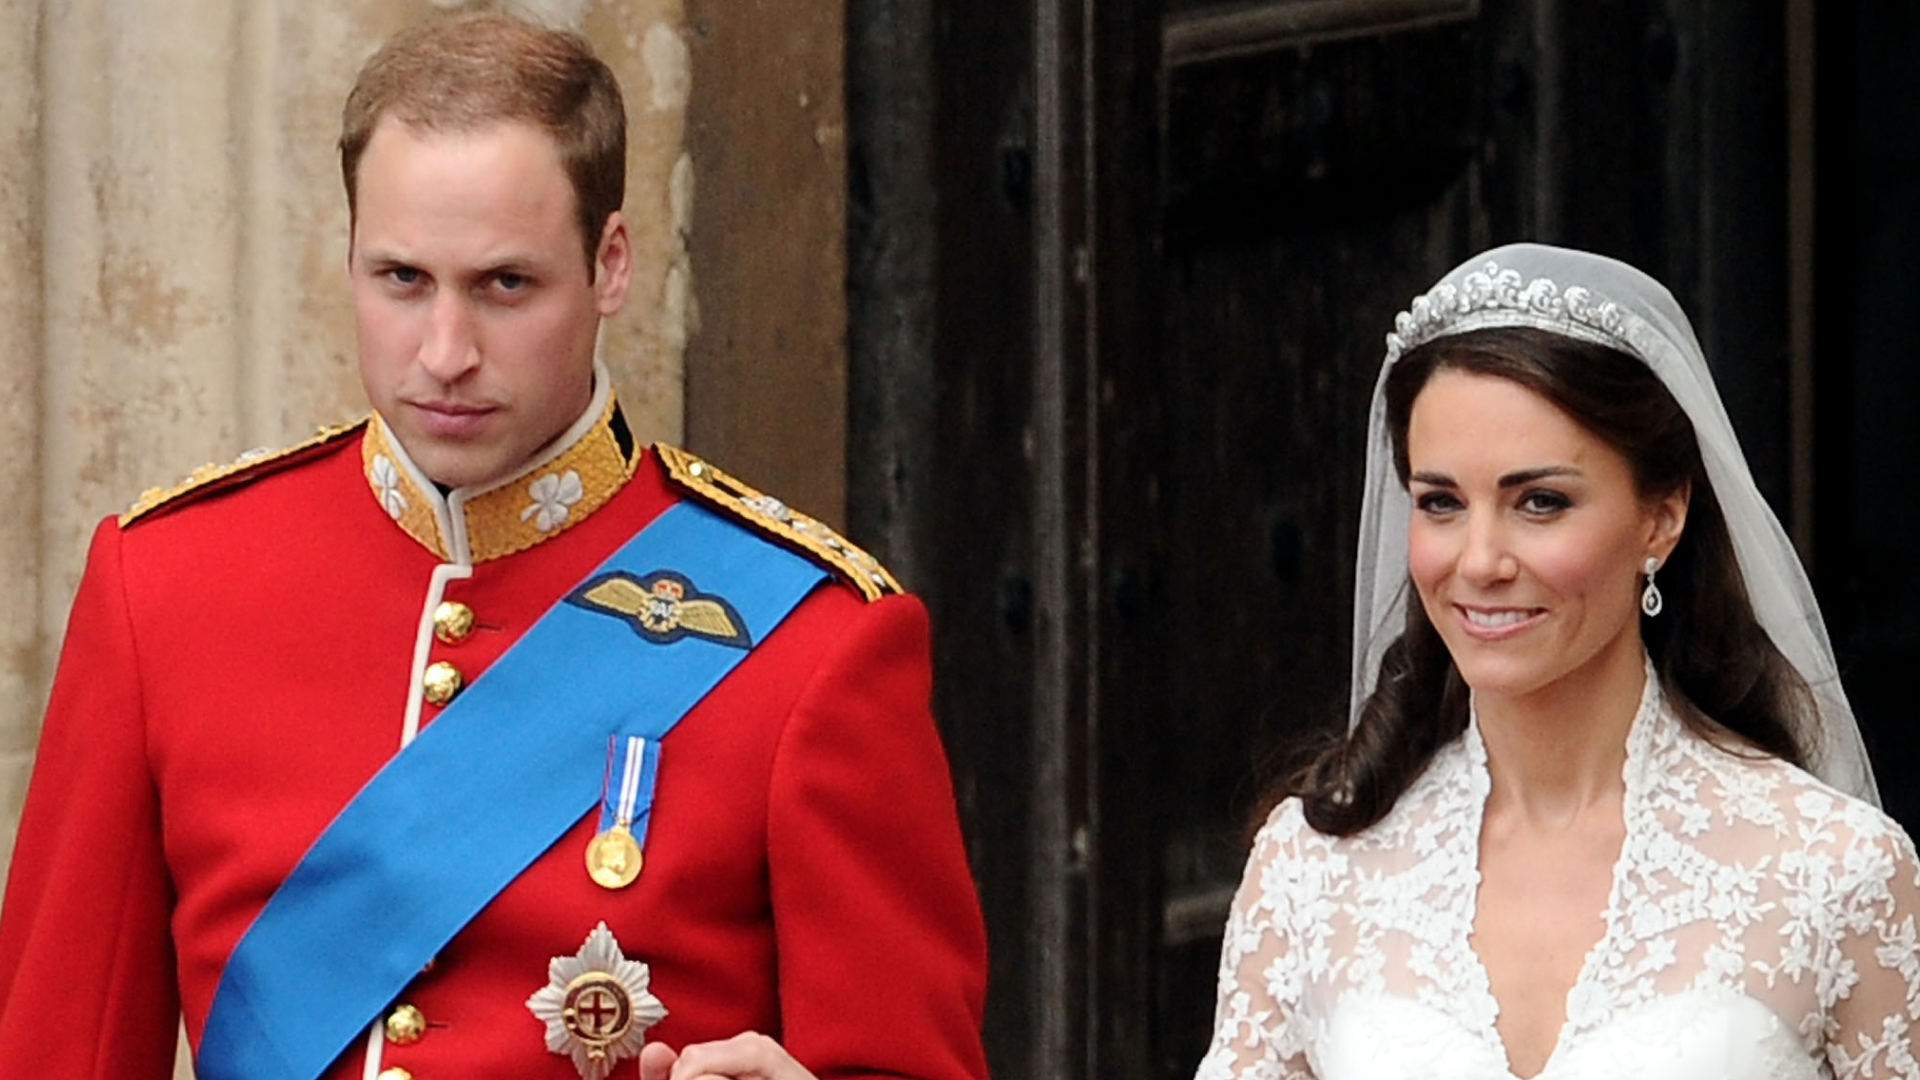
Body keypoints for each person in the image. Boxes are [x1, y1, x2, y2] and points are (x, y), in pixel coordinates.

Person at [0, 13, 989, 1080]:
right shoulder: (167, 587)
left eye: (504, 286)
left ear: (610, 265)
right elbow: (59, 1048)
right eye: (402, 280)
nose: (444, 353)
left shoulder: (811, 644)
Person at [1197, 243, 1919, 1079]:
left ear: (1663, 516)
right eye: (1440, 503)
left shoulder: (1834, 869)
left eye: (1540, 502)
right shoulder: (1310, 870)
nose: (1479, 560)